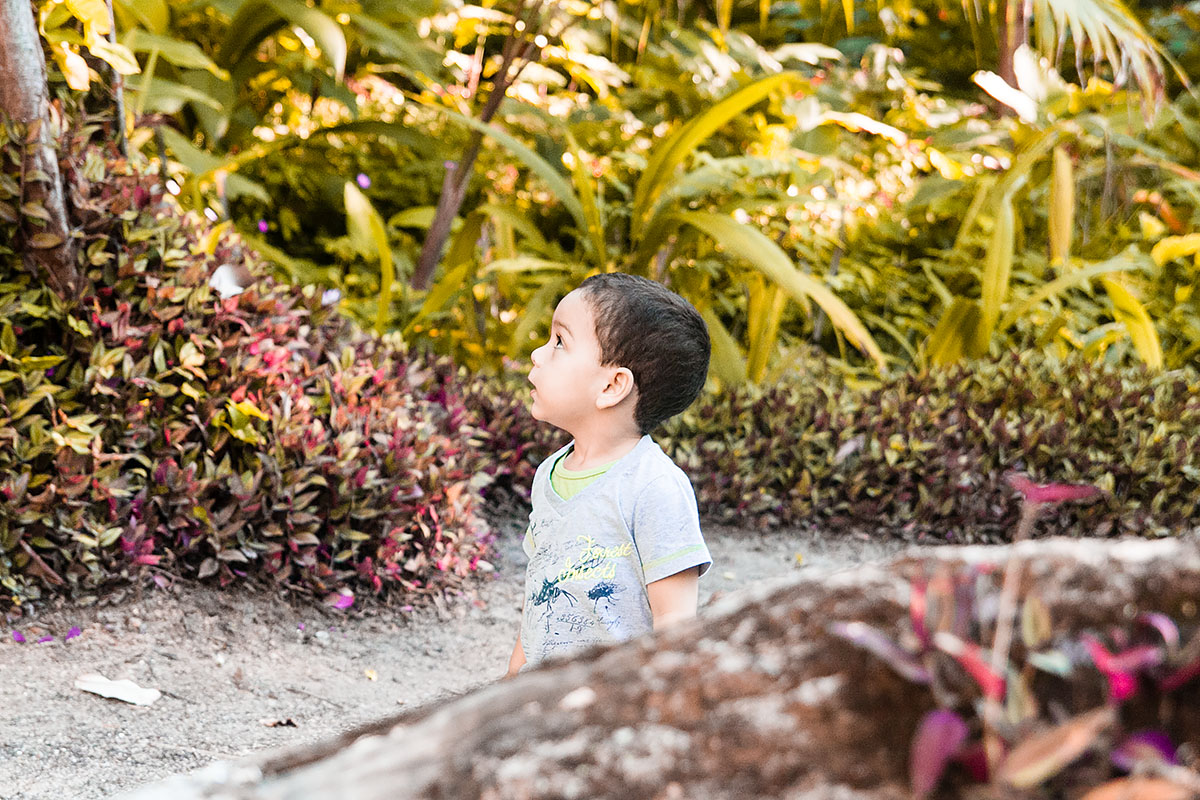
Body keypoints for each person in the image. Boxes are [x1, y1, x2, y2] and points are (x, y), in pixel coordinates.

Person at [506, 272, 712, 676]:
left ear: (612, 385)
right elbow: (537, 603)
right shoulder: (549, 475)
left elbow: (675, 623)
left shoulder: (655, 489)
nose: (538, 354)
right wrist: (507, 687)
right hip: (542, 701)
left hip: (612, 705)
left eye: (560, 342)